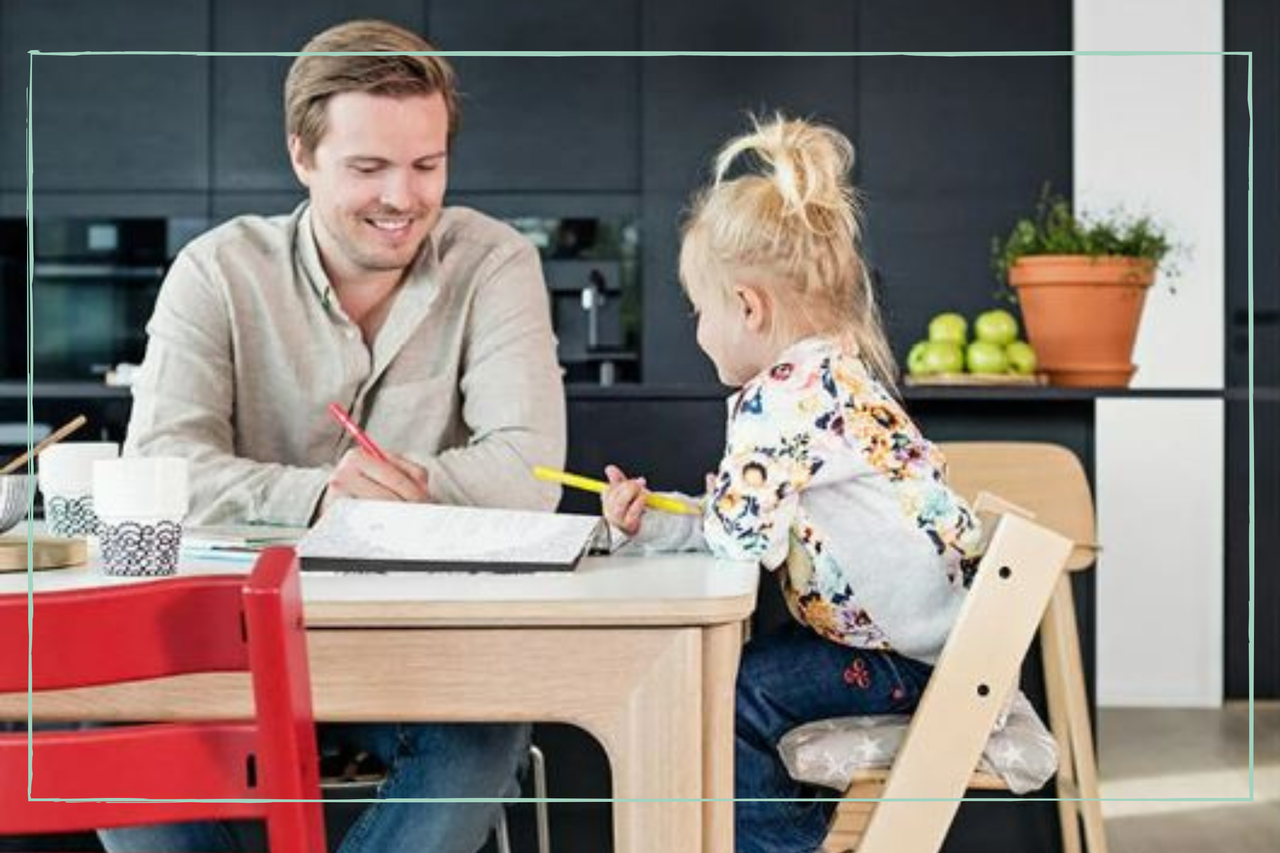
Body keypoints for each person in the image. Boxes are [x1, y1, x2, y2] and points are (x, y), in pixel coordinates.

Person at [105, 19, 565, 853]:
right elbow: (163, 467)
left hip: (418, 650)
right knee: (93, 728)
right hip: (228, 648)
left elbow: (526, 472)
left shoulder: (494, 263)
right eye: (368, 168)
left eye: (427, 165)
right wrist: (327, 494)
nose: (403, 198)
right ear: (301, 157)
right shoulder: (217, 271)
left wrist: (387, 488)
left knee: (485, 735)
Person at [600, 115, 983, 853]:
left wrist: (674, 524)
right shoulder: (831, 370)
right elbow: (740, 518)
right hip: (920, 641)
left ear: (748, 306)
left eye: (699, 310)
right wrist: (659, 523)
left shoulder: (781, 401)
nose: (700, 331)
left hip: (895, 658)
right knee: (755, 666)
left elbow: (741, 541)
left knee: (739, 691)